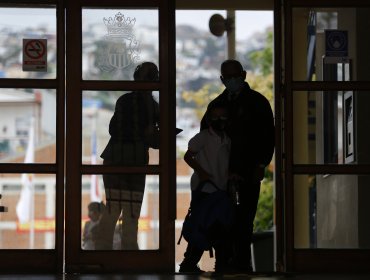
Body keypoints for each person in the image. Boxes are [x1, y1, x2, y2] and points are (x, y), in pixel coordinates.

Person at [200, 59, 275, 272]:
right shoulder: (215, 106)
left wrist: (261, 164)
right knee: (221, 217)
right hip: (221, 172)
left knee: (245, 218)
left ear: (243, 74)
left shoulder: (258, 103)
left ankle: (241, 261)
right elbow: (205, 136)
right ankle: (223, 261)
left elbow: (268, 136)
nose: (232, 81)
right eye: (228, 78)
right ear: (222, 79)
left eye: (235, 76)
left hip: (250, 169)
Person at [95, 62, 160, 250]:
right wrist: (148, 133)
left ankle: (104, 251)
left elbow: (115, 128)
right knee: (128, 209)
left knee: (118, 208)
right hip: (132, 158)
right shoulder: (152, 107)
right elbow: (116, 129)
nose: (151, 81)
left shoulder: (128, 101)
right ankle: (126, 251)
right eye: (150, 77)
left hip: (119, 156)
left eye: (152, 77)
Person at [179, 101, 232, 274]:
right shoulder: (202, 138)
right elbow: (188, 156)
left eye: (223, 116)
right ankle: (189, 263)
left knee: (220, 227)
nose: (220, 119)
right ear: (209, 119)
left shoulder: (227, 139)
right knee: (202, 225)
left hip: (221, 190)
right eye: (216, 116)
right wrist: (201, 172)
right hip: (204, 190)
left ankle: (221, 264)